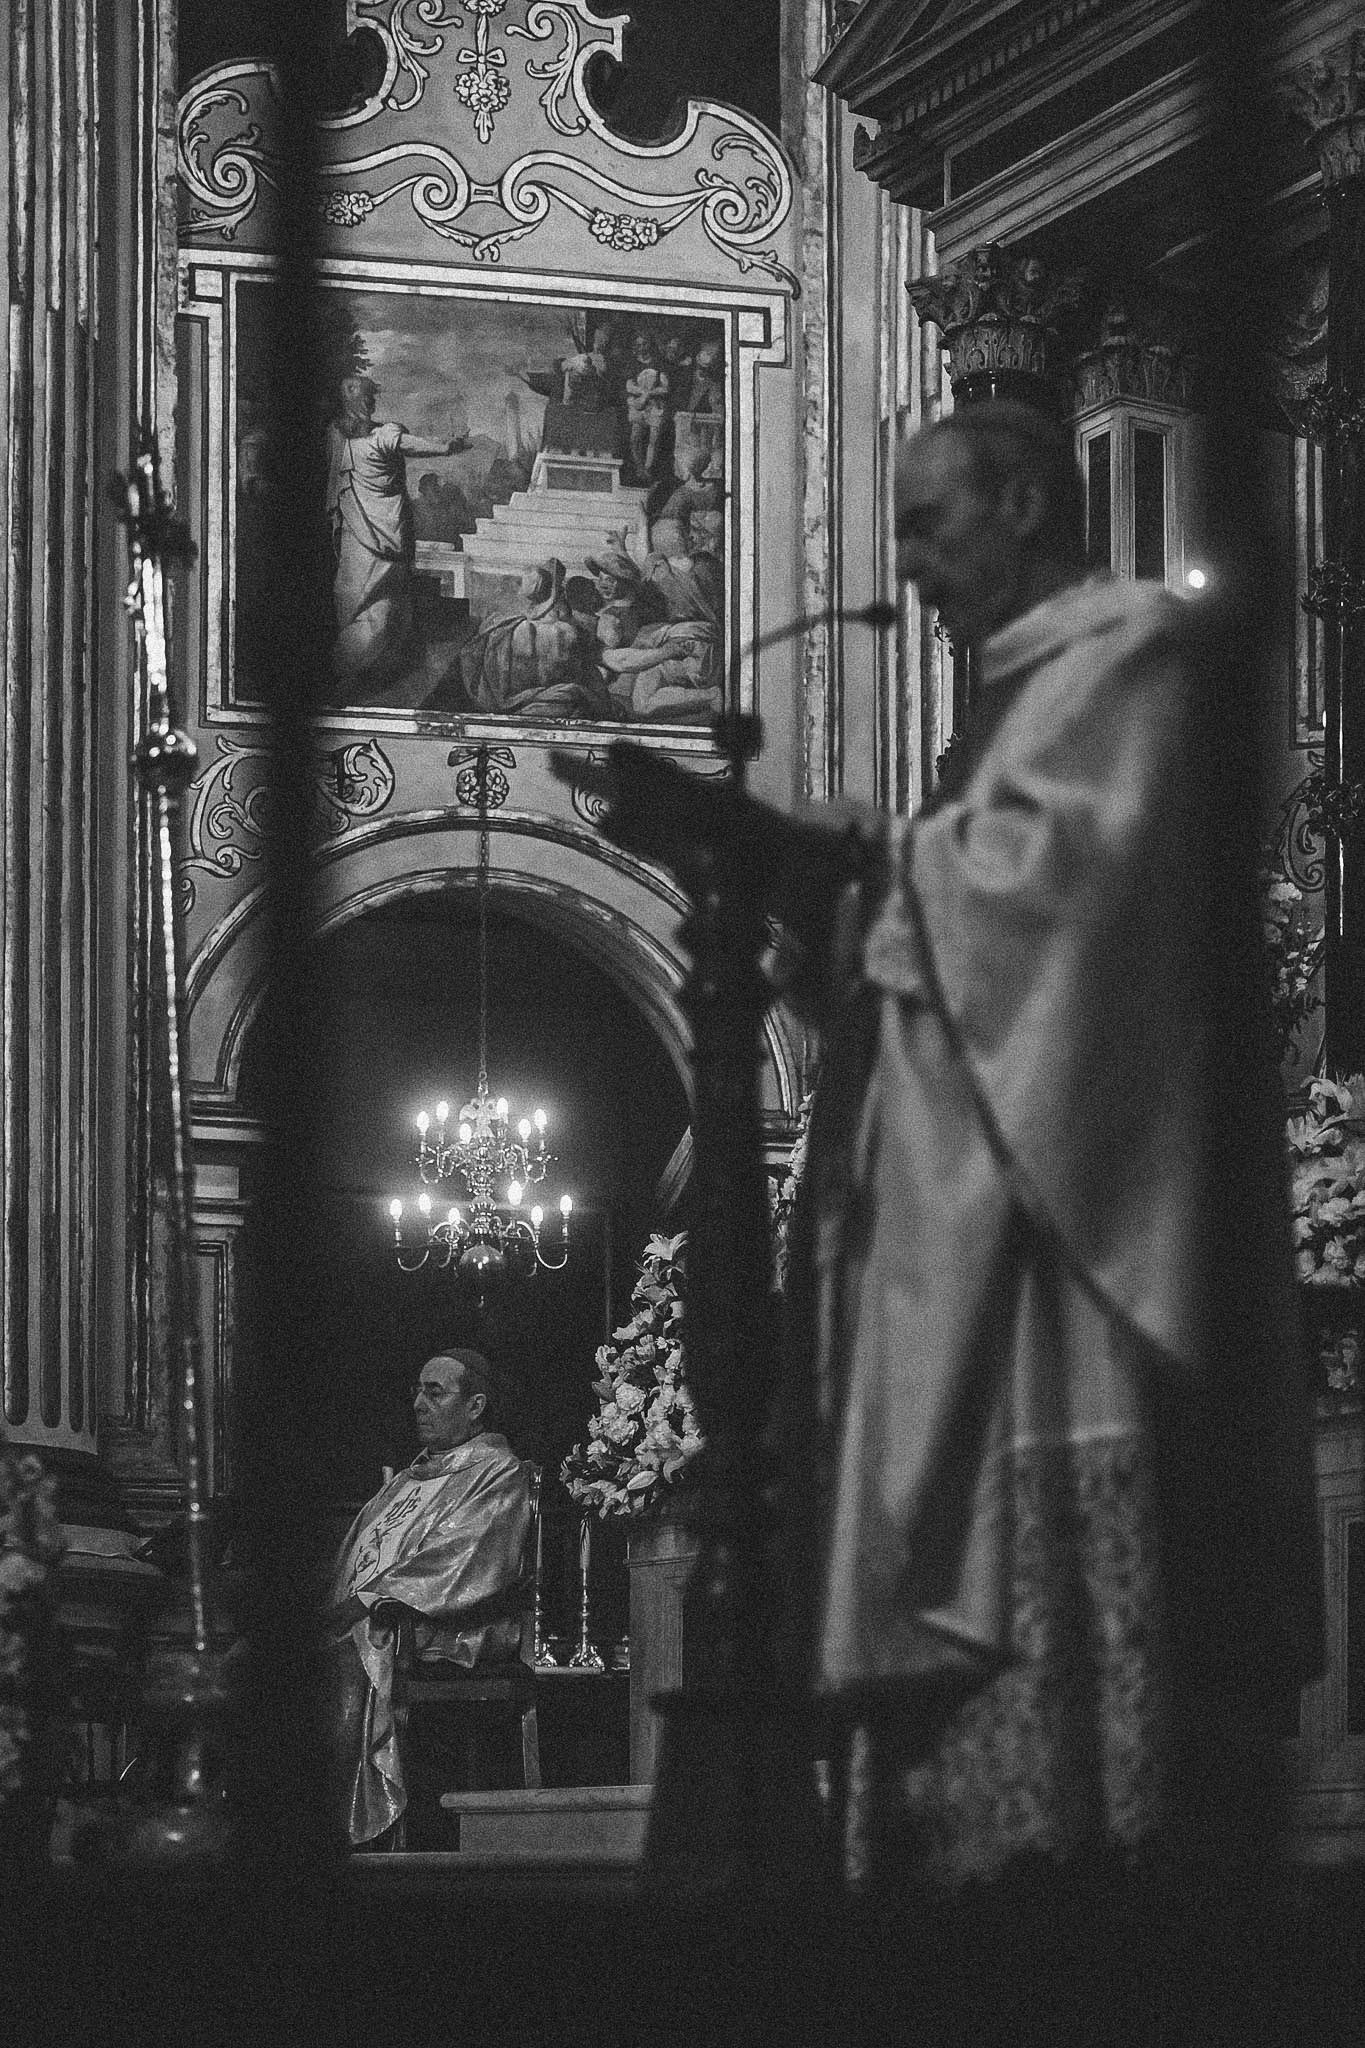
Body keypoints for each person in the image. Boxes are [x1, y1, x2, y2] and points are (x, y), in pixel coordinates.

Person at [563, 402, 1324, 2026]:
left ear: (1030, 500)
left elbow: (1059, 898)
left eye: (926, 525)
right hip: (970, 1200)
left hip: (1065, 1236)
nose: (904, 569)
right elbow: (946, 908)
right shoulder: (1014, 686)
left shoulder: (1127, 658)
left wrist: (829, 853)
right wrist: (811, 887)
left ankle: (1081, 1872)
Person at [323, 1348, 531, 1848]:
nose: (418, 1403)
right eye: (417, 1391)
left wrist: (374, 1600)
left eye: (434, 1392)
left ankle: (344, 1834)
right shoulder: (413, 1476)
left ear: (476, 1405)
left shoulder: (498, 1472)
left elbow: (467, 1559)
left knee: (338, 1660)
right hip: (382, 1621)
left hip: (449, 1628)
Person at [323, 373, 466, 695]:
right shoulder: (337, 436)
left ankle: (355, 668)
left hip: (385, 532)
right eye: (360, 395)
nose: (367, 402)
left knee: (385, 606)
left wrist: (444, 447)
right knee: (351, 598)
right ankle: (345, 671)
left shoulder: (384, 434)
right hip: (355, 530)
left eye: (370, 396)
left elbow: (410, 445)